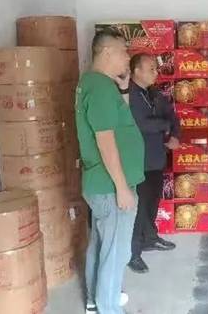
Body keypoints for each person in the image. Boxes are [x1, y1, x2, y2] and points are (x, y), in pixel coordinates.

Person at [75, 27, 145, 314]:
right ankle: (108, 307)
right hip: (110, 185)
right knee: (116, 253)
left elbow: (120, 121)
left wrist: (124, 88)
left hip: (102, 183)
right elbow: (105, 141)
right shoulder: (100, 88)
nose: (127, 57)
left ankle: (95, 301)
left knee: (101, 244)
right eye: (123, 51)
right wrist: (122, 187)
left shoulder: (98, 84)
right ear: (106, 52)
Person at [124, 53, 180, 273]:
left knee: (153, 201)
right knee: (139, 207)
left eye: (155, 69)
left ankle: (150, 238)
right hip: (138, 160)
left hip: (156, 157)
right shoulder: (129, 94)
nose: (156, 73)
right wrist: (165, 126)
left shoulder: (154, 93)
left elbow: (172, 116)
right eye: (151, 69)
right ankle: (133, 253)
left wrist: (174, 134)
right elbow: (140, 124)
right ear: (136, 71)